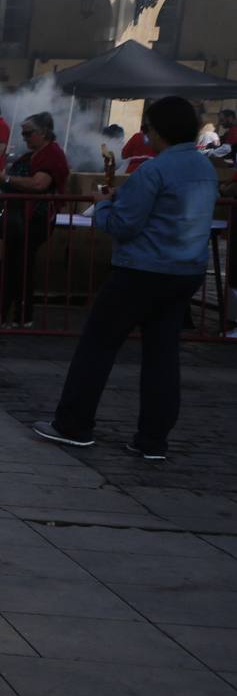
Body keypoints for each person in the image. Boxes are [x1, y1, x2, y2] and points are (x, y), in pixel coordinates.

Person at [34, 95, 219, 460]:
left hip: (141, 270)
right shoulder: (204, 167)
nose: (145, 134)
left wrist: (103, 206)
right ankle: (153, 439)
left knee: (98, 347)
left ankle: (73, 423)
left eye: (147, 128)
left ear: (159, 130)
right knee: (163, 356)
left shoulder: (154, 170)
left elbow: (124, 224)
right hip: (184, 271)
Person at [0, 110, 67, 327]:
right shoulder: (35, 155)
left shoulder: (51, 155)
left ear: (44, 132)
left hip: (33, 220)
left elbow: (39, 184)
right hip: (22, 218)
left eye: (28, 133)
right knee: (19, 268)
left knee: (13, 268)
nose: (25, 138)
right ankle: (21, 317)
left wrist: (6, 178)